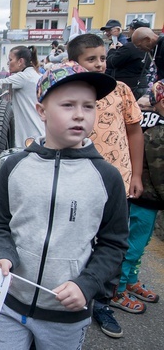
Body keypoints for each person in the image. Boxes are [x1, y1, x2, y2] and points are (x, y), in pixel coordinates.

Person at [0, 62, 128, 350]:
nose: (79, 115)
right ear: (41, 112)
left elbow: (113, 244)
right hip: (8, 305)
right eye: (67, 105)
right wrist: (3, 254)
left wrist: (86, 285)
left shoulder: (107, 177)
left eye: (88, 106)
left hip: (66, 317)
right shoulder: (14, 166)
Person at [68, 33, 144, 338]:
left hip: (118, 182)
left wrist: (136, 175)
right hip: (79, 183)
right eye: (91, 59)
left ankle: (102, 301)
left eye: (102, 58)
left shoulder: (121, 91)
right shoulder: (69, 92)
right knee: (79, 239)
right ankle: (76, 292)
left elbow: (134, 132)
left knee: (111, 242)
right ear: (75, 63)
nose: (99, 64)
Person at [115, 80, 164, 317]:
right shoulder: (158, 130)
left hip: (146, 197)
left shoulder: (148, 122)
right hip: (146, 198)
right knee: (133, 245)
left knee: (139, 244)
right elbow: (158, 171)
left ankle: (131, 280)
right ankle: (118, 289)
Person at [0, 45, 44, 147]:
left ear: (20, 61)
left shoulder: (23, 77)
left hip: (29, 133)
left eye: (10, 59)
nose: (8, 63)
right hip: (40, 129)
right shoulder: (37, 75)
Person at [106, 19, 152, 98]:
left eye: (130, 28)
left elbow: (111, 63)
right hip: (142, 84)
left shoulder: (131, 46)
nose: (129, 31)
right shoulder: (150, 45)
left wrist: (112, 50)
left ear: (134, 30)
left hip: (129, 86)